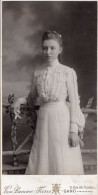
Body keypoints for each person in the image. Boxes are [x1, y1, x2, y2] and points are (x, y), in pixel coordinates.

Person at [11, 30, 85, 175]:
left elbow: (75, 102)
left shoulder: (68, 72)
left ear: (60, 50)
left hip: (62, 120)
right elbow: (32, 98)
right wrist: (20, 100)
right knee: (44, 159)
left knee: (63, 158)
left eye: (52, 48)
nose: (48, 52)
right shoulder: (38, 73)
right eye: (45, 48)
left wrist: (73, 131)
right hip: (44, 121)